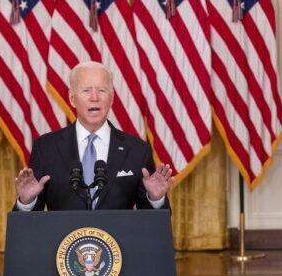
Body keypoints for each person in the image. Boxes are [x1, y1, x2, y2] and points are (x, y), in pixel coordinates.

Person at [14, 61, 172, 211]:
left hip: (118, 239)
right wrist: (27, 202)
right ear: (72, 98)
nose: (94, 97)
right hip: (63, 239)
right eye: (86, 90)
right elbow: (30, 224)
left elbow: (150, 222)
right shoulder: (46, 147)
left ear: (111, 97)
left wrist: (155, 198)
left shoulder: (137, 149)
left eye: (101, 90)